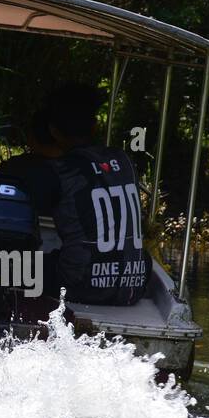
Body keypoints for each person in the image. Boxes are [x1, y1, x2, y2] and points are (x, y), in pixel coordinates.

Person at [36, 82, 150, 306]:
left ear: (53, 131)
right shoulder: (125, 161)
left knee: (21, 263)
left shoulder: (59, 171)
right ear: (95, 126)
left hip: (83, 285)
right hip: (133, 285)